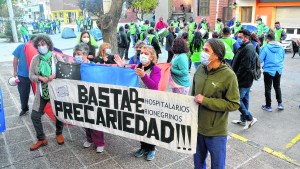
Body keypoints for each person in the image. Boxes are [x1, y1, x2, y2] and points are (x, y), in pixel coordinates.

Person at [192, 39, 240, 168]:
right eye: (203, 49)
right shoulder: (200, 69)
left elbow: (234, 104)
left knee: (217, 166)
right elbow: (193, 95)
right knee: (198, 163)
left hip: (216, 132)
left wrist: (206, 101)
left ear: (217, 55)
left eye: (206, 50)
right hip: (197, 128)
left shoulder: (229, 76)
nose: (202, 52)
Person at [114, 46, 161, 161]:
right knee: (141, 126)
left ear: (152, 57)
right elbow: (128, 73)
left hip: (150, 102)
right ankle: (143, 147)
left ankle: (151, 149)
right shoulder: (137, 66)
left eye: (146, 53)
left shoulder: (156, 70)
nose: (143, 55)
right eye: (142, 53)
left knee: (150, 127)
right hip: (138, 101)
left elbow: (154, 87)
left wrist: (144, 76)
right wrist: (122, 66)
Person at [29, 34, 65, 151]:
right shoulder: (35, 59)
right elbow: (31, 76)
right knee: (34, 116)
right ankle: (41, 139)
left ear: (48, 44)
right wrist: (40, 78)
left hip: (55, 91)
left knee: (58, 114)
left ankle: (59, 133)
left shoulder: (56, 57)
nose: (41, 47)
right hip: (42, 93)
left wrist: (55, 76)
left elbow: (64, 72)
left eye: (43, 44)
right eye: (38, 45)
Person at [232, 29, 258, 129]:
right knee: (245, 100)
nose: (238, 39)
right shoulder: (246, 46)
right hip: (246, 80)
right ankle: (243, 120)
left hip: (243, 80)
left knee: (236, 100)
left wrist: (235, 78)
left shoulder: (248, 48)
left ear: (246, 38)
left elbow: (244, 67)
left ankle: (250, 118)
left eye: (240, 37)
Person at [260, 33, 285, 111]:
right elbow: (283, 57)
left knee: (268, 88)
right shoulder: (281, 47)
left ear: (267, 39)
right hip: (278, 70)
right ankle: (280, 104)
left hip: (268, 70)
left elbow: (260, 59)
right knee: (277, 86)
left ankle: (268, 106)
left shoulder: (266, 48)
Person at [12, 36, 35, 116]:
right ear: (29, 41)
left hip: (35, 76)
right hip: (23, 75)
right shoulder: (21, 47)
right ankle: (24, 108)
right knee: (23, 94)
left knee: (39, 94)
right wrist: (15, 71)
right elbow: (15, 59)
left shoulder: (38, 48)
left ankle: (40, 110)